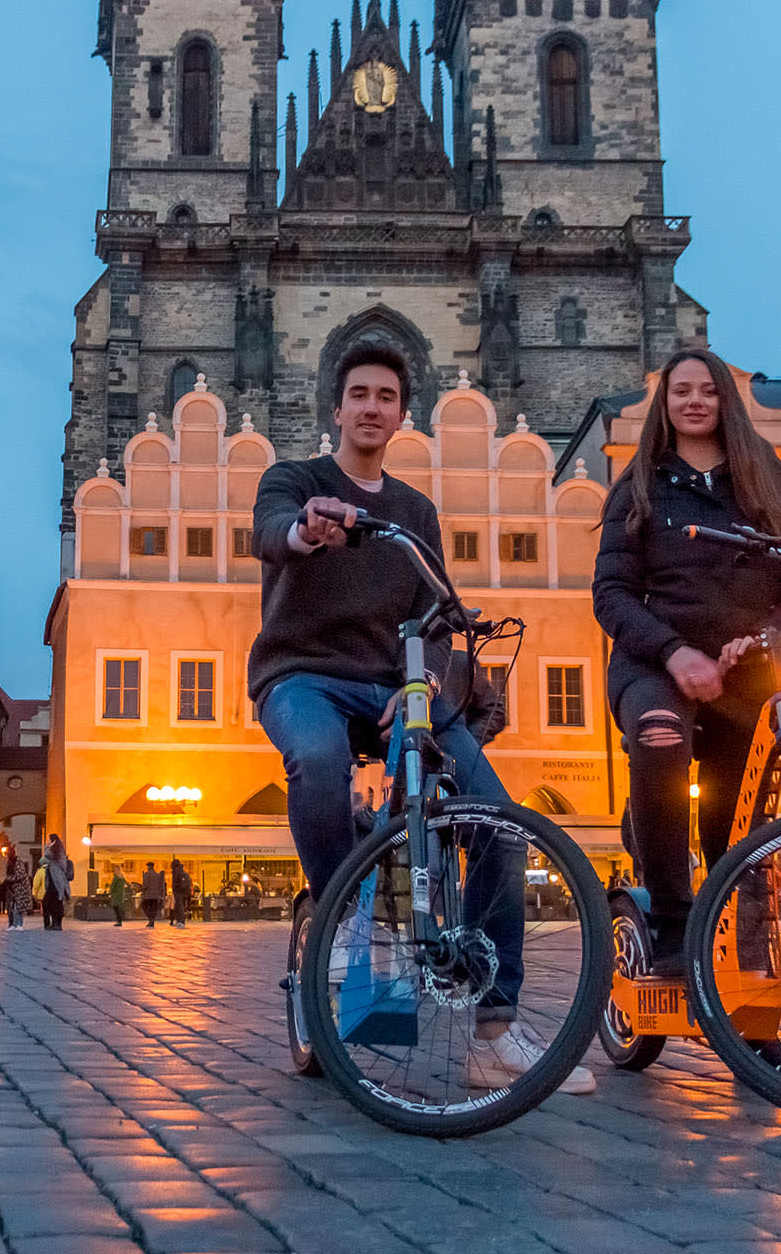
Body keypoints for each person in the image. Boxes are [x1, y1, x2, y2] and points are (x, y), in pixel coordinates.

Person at [255, 341, 589, 1096]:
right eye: (359, 394)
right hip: (302, 676)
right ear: (336, 408)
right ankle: (343, 914)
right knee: (315, 758)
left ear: (402, 414)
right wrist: (308, 529)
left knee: (498, 823)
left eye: (386, 397)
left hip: (396, 686)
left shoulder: (415, 512)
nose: (372, 407)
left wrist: (420, 690)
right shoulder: (296, 480)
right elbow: (271, 529)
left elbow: (435, 621)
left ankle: (494, 1030)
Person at [593, 348, 781, 1084]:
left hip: (746, 672)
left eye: (706, 390)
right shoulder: (637, 487)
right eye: (680, 391)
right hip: (654, 663)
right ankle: (668, 925)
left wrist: (765, 639)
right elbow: (611, 594)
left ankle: (756, 1027)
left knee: (742, 837)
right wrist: (673, 653)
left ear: (727, 399)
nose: (694, 401)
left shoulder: (768, 483)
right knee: (660, 737)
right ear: (666, 405)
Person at [42, 835, 74, 931]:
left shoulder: (57, 853)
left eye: (49, 840)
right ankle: (54, 923)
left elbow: (46, 854)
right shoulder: (57, 853)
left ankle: (57, 924)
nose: (48, 842)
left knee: (55, 903)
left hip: (57, 882)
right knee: (51, 903)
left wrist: (48, 845)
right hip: (54, 882)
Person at [3, 846, 29, 929]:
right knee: (12, 906)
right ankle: (13, 924)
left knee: (18, 906)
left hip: (20, 887)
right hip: (13, 887)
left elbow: (20, 875)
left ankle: (19, 924)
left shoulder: (17, 862)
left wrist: (9, 879)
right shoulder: (10, 862)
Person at [168, 858, 192, 928]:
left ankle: (181, 921)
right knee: (179, 906)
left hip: (179, 891)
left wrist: (175, 889)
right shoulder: (182, 871)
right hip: (184, 891)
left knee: (179, 906)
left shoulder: (177, 871)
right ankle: (179, 921)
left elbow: (176, 882)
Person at [140, 860, 165, 928]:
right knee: (153, 909)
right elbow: (160, 885)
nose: (147, 867)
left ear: (149, 867)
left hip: (148, 895)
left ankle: (151, 919)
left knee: (144, 906)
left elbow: (145, 885)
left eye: (148, 866)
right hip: (155, 896)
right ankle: (151, 922)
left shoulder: (147, 874)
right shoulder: (157, 875)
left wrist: (142, 890)